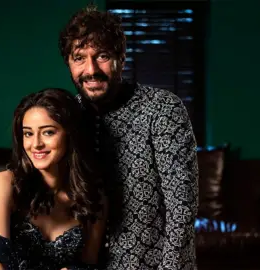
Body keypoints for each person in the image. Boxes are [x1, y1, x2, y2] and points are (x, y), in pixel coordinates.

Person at [58, 4, 199, 270]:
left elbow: (181, 209)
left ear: (120, 58)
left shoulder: (162, 109)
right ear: (69, 63)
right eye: (79, 58)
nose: (91, 69)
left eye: (101, 56)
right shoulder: (68, 117)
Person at [0, 88, 107, 270]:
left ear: (71, 134)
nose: (36, 144)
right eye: (28, 133)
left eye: (48, 132)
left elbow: (89, 263)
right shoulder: (4, 183)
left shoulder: (94, 195)